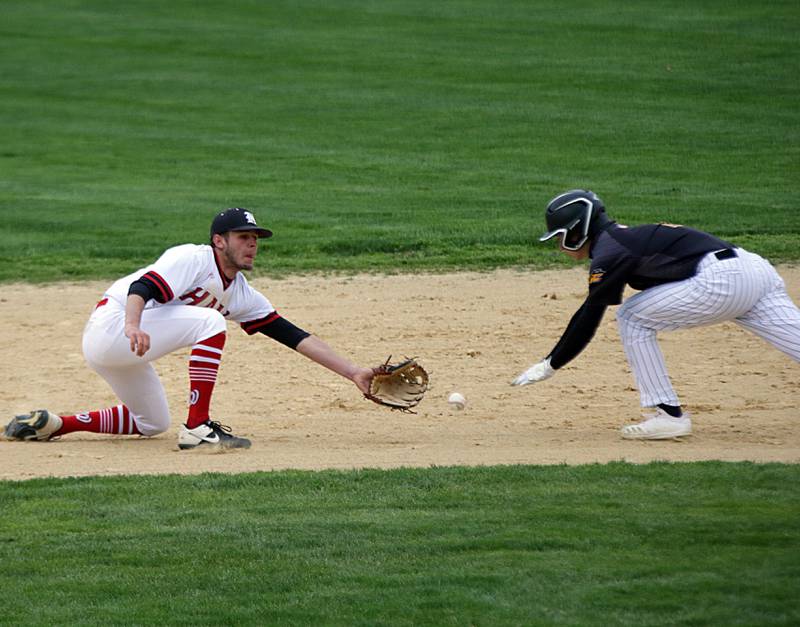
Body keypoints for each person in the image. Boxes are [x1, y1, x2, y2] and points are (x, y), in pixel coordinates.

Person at [4, 208, 376, 449]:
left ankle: (54, 425)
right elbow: (142, 288)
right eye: (243, 237)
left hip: (126, 349)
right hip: (113, 326)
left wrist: (353, 372)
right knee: (210, 321)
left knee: (151, 423)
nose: (252, 245)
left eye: (255, 239)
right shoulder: (192, 258)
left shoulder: (241, 294)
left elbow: (291, 334)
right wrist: (132, 325)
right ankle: (197, 427)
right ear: (219, 240)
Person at [511, 189, 800, 439]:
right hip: (756, 270)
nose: (559, 245)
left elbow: (590, 312)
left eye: (560, 236)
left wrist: (551, 364)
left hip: (722, 280)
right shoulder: (621, 239)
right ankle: (667, 414)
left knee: (632, 317)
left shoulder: (610, 251)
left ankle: (668, 415)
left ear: (577, 230)